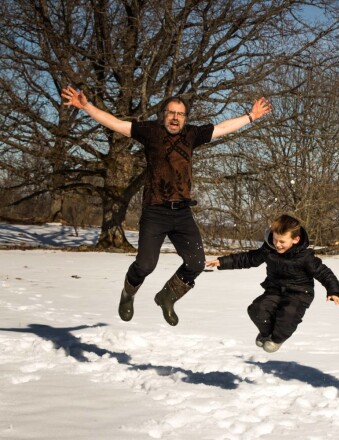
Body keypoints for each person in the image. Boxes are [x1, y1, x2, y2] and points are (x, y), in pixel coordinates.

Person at [61, 86, 271, 326]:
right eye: (171, 112)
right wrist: (87, 106)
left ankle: (167, 296)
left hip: (182, 212)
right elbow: (117, 124)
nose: (175, 117)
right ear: (163, 115)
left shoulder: (192, 134)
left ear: (185, 118)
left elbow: (223, 128)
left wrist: (252, 116)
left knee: (196, 263)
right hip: (155, 211)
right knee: (145, 264)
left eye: (180, 114)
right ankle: (128, 294)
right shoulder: (149, 131)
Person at [205, 214, 339, 353]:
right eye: (275, 239)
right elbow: (249, 258)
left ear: (295, 239)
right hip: (275, 290)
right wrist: (222, 262)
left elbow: (324, 273)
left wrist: (334, 291)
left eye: (282, 241)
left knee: (286, 317)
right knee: (256, 310)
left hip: (299, 294)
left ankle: (277, 339)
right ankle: (266, 334)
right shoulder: (269, 250)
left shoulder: (305, 257)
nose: (277, 244)